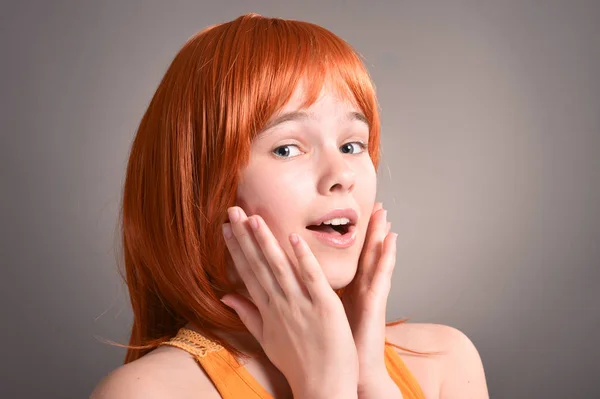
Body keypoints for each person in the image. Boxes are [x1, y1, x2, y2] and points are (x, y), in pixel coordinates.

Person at [91, 13, 489, 399]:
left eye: (352, 145)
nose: (341, 175)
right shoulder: (150, 392)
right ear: (199, 185)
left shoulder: (445, 362)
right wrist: (326, 388)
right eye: (287, 148)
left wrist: (369, 380)